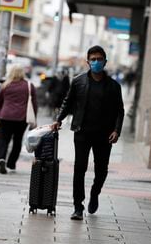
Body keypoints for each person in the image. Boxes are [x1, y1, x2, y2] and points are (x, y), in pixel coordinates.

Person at [52, 45, 124, 220]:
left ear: (105, 62)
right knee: (79, 169)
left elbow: (119, 110)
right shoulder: (78, 81)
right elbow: (68, 102)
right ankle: (78, 206)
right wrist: (59, 119)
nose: (96, 62)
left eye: (100, 59)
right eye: (93, 59)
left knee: (101, 170)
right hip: (82, 132)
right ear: (88, 62)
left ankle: (95, 193)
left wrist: (116, 130)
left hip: (104, 134)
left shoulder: (114, 86)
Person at [0, 65, 37, 174]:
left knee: (4, 139)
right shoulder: (29, 86)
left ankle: (1, 158)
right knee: (17, 141)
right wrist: (34, 118)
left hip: (5, 116)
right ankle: (11, 164)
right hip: (21, 118)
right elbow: (34, 104)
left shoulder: (5, 85)